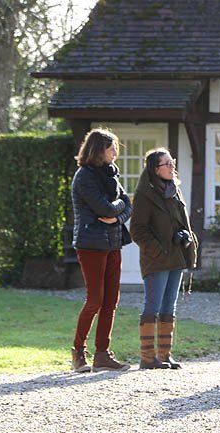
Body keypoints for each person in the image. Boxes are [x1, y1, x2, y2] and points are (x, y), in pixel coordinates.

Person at [71, 128, 133, 373]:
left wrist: (117, 218)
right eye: (112, 147)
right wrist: (118, 208)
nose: (116, 151)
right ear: (98, 149)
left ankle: (102, 354)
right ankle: (78, 352)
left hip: (112, 242)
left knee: (111, 301)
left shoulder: (111, 173)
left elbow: (127, 206)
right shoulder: (84, 176)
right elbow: (106, 208)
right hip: (91, 245)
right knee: (95, 300)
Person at [130, 148, 198, 370]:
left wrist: (186, 238)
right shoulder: (144, 195)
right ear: (155, 169)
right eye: (167, 164)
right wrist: (159, 251)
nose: (172, 167)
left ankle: (164, 355)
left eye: (172, 162)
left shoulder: (174, 190)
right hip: (156, 259)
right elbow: (137, 230)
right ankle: (147, 358)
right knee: (153, 305)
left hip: (176, 256)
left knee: (169, 305)